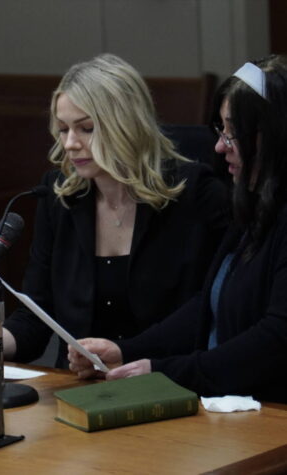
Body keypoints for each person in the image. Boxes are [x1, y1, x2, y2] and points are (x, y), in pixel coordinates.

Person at [0, 53, 229, 367]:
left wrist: (127, 352)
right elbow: (34, 320)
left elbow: (212, 308)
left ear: (126, 125)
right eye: (63, 129)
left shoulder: (197, 194)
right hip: (85, 390)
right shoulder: (60, 198)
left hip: (172, 379)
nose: (69, 143)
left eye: (86, 128)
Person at [69, 55, 287, 403]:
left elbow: (276, 338)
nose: (219, 146)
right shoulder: (252, 209)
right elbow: (207, 305)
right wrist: (126, 351)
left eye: (233, 134)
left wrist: (165, 372)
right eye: (221, 131)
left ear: (270, 136)